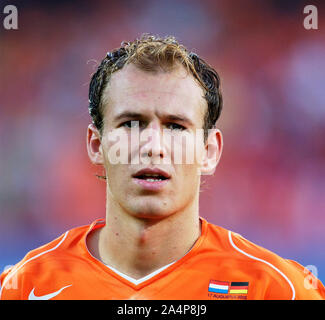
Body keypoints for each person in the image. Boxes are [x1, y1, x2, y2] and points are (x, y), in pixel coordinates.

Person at [1, 34, 324, 300]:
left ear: (209, 151)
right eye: (130, 124)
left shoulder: (278, 289)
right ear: (96, 146)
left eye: (175, 126)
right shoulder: (23, 287)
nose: (153, 146)